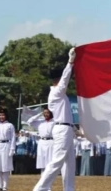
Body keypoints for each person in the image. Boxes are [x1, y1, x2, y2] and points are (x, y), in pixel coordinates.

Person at [33, 47, 76, 191]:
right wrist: (70, 62)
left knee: (70, 163)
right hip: (62, 128)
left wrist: (75, 129)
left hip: (67, 128)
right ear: (58, 79)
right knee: (57, 160)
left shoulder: (60, 95)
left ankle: (69, 188)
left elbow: (66, 115)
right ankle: (41, 188)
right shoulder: (57, 92)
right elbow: (65, 80)